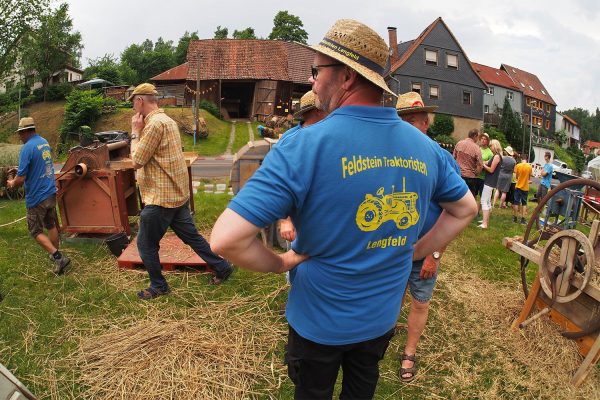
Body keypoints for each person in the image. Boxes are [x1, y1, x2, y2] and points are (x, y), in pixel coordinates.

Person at [210, 19, 477, 399]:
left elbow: (225, 239)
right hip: (379, 322)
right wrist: (415, 250)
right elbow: (464, 209)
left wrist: (282, 263)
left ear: (347, 78)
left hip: (318, 323)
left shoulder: (302, 146)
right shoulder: (426, 149)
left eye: (317, 71)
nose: (313, 82)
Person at [129, 83, 233, 300]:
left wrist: (134, 133)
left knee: (145, 244)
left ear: (140, 101)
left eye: (133, 102)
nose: (132, 106)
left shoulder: (153, 125)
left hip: (161, 198)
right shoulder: (167, 121)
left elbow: (137, 161)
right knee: (192, 237)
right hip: (176, 194)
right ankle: (222, 267)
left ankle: (158, 285)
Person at [396, 91, 461, 381]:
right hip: (392, 248)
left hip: (424, 251)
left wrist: (434, 254)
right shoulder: (388, 158)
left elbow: (454, 213)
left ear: (425, 123)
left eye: (415, 121)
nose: (411, 127)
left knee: (420, 301)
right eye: (404, 121)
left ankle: (409, 353)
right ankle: (380, 338)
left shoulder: (442, 160)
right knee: (391, 296)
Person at [7, 117, 70, 275]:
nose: (20, 137)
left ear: (26, 131)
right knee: (51, 225)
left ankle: (58, 257)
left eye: (20, 133)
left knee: (35, 231)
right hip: (49, 191)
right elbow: (37, 165)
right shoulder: (44, 142)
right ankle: (55, 252)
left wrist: (11, 183)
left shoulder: (27, 148)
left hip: (36, 197)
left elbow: (20, 180)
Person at [279, 90, 328, 243]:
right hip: (299, 222)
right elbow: (281, 183)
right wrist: (285, 220)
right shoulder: (292, 140)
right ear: (318, 111)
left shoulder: (326, 137)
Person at [479, 139, 503, 229]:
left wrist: (482, 164)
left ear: (495, 146)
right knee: (488, 201)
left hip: (490, 181)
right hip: (491, 181)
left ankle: (484, 223)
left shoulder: (496, 156)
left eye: (491, 146)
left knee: (483, 201)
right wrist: (485, 163)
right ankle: (486, 220)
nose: (490, 147)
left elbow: (491, 170)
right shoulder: (497, 156)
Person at [453, 128, 483, 197]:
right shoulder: (476, 148)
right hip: (470, 177)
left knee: (456, 196)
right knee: (469, 197)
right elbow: (480, 164)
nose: (478, 139)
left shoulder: (459, 143)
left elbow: (453, 158)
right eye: (478, 137)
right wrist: (476, 173)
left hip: (458, 174)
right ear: (475, 136)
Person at [513, 154, 533, 224]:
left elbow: (516, 177)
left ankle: (515, 219)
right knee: (524, 204)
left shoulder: (518, 165)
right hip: (525, 188)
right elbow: (529, 178)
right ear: (527, 159)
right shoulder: (529, 167)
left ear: (522, 159)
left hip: (518, 186)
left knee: (516, 202)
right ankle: (523, 220)